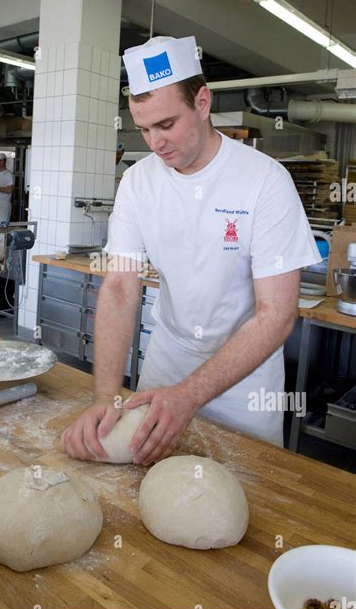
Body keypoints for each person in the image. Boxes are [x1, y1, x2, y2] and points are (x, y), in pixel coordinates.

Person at [61, 35, 321, 465]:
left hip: (243, 385)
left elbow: (276, 314)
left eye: (166, 125)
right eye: (143, 129)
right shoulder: (138, 182)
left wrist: (189, 396)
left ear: (202, 102)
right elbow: (121, 288)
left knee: (245, 498)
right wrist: (106, 397)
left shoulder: (264, 180)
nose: (155, 143)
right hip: (166, 363)